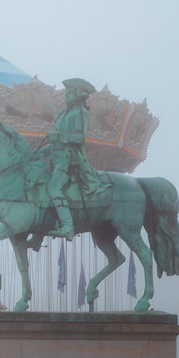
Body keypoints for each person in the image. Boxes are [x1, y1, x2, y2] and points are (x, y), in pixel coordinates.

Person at [47, 78, 111, 239]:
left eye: (68, 93)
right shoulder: (63, 114)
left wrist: (58, 136)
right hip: (55, 160)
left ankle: (68, 227)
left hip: (68, 161)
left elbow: (79, 137)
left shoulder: (80, 113)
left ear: (77, 94)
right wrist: (38, 153)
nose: (65, 96)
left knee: (53, 188)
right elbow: (56, 143)